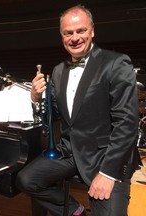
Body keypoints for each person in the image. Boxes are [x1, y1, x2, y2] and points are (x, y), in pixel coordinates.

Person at [16, 5, 141, 216]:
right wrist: (36, 99)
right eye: (68, 33)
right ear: (62, 36)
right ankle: (77, 211)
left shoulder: (116, 63)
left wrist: (108, 174)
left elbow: (127, 123)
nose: (75, 37)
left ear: (92, 31)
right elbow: (54, 115)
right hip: (70, 151)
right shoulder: (58, 71)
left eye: (80, 30)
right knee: (26, 180)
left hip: (106, 156)